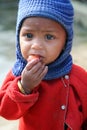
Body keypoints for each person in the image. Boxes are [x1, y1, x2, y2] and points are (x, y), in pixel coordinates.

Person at [0, 0, 87, 129]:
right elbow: (6, 112)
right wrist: (24, 87)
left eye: (49, 37)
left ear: (65, 42)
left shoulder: (79, 76)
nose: (36, 45)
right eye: (28, 35)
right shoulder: (18, 74)